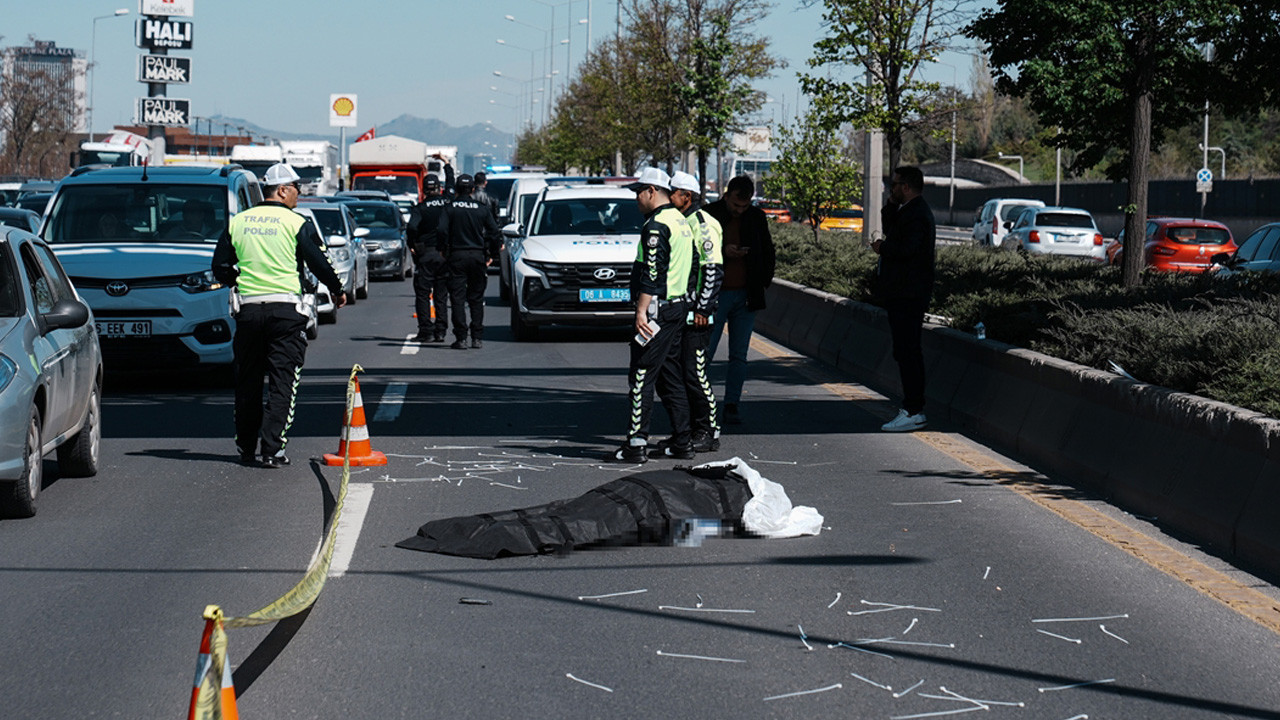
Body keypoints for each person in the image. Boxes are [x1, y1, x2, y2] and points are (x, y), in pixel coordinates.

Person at [212, 163, 347, 468]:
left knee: (247, 382)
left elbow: (219, 266)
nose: (299, 193)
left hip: (248, 311)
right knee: (282, 381)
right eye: (297, 187)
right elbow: (319, 261)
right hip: (285, 312)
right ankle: (272, 450)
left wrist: (239, 281)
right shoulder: (296, 222)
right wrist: (337, 289)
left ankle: (246, 447)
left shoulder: (239, 222)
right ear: (283, 190)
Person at [608, 167, 697, 463]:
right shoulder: (681, 221)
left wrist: (641, 310)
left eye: (639, 192)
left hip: (658, 309)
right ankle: (683, 441)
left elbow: (653, 273)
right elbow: (693, 265)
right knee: (669, 374)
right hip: (676, 307)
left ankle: (636, 443)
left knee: (641, 375)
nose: (636, 198)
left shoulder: (657, 225)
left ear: (651, 191)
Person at [703, 175, 775, 425]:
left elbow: (767, 250)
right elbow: (698, 250)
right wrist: (723, 252)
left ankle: (732, 404)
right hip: (715, 295)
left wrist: (763, 282)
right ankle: (701, 405)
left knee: (739, 356)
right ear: (726, 196)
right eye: (736, 204)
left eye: (745, 206)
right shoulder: (709, 215)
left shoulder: (756, 218)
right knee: (705, 353)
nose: (739, 210)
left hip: (746, 295)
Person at [661, 170, 723, 453]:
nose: (668, 198)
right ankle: (685, 431)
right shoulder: (680, 221)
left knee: (695, 373)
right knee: (680, 374)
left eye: (672, 193)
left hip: (697, 314)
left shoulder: (703, 224)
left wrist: (703, 308)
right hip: (680, 310)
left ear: (686, 196)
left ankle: (709, 431)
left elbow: (712, 270)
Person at [872, 165, 936, 432]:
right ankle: (912, 407)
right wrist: (890, 204)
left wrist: (882, 248)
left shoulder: (917, 214)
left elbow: (907, 249)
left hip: (909, 293)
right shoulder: (907, 210)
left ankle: (913, 410)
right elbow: (891, 228)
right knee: (904, 349)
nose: (891, 188)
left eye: (895, 184)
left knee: (908, 350)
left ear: (906, 187)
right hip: (902, 292)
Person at [437, 173, 501, 349]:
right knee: (476, 298)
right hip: (477, 255)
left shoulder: (450, 208)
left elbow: (441, 230)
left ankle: (461, 338)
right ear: (472, 189)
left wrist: (442, 249)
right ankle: (477, 337)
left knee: (457, 298)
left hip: (457, 255)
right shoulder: (481, 208)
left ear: (457, 189)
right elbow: (494, 232)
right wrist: (492, 254)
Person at [407, 176, 450, 342]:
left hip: (426, 253)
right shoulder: (447, 204)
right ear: (439, 188)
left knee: (423, 293)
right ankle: (441, 330)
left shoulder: (421, 208)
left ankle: (426, 331)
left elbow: (412, 226)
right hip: (444, 254)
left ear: (424, 190)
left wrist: (412, 243)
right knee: (441, 294)